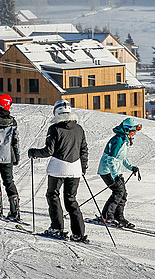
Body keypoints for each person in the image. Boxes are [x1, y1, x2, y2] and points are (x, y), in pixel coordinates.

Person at [28, 99, 89, 243]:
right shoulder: (79, 128)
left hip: (58, 168)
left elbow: (49, 151)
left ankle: (57, 228)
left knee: (52, 195)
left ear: (56, 112)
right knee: (71, 199)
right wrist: (83, 168)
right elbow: (84, 150)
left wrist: (33, 152)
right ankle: (78, 234)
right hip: (75, 169)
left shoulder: (55, 129)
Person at [96, 116, 142, 229]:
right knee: (118, 192)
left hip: (115, 172)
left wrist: (131, 167)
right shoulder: (118, 140)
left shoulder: (124, 140)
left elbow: (122, 158)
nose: (134, 133)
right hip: (107, 171)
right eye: (133, 131)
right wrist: (115, 175)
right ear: (127, 130)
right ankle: (108, 216)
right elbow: (111, 159)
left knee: (123, 193)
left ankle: (118, 216)